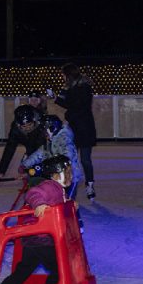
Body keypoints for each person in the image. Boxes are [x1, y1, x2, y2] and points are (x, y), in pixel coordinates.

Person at [0, 155, 78, 284]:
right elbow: (33, 193)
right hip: (40, 237)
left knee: (26, 267)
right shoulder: (49, 186)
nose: (70, 176)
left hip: (38, 237)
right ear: (55, 175)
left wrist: (70, 203)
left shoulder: (60, 189)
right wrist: (39, 204)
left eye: (70, 172)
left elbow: (59, 203)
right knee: (61, 267)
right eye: (67, 173)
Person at [50, 63, 97, 201]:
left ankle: (89, 185)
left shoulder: (83, 88)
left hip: (84, 128)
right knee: (70, 159)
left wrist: (62, 97)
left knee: (84, 159)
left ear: (69, 75)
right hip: (76, 126)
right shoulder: (72, 88)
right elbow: (68, 104)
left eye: (64, 75)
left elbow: (75, 105)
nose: (63, 77)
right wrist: (56, 97)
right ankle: (70, 187)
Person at [22, 115, 83, 200]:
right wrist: (25, 164)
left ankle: (72, 212)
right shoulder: (50, 141)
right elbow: (40, 153)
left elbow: (67, 157)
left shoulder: (64, 139)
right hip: (56, 176)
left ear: (52, 128)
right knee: (56, 198)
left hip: (68, 177)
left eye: (45, 131)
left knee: (68, 201)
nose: (44, 134)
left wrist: (46, 166)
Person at [0, 105, 46, 180]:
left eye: (30, 125)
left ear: (34, 120)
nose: (28, 128)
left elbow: (42, 151)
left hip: (42, 148)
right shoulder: (15, 130)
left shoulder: (42, 126)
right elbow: (9, 149)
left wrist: (34, 170)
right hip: (29, 146)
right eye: (24, 126)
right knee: (25, 167)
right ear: (19, 125)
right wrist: (1, 171)